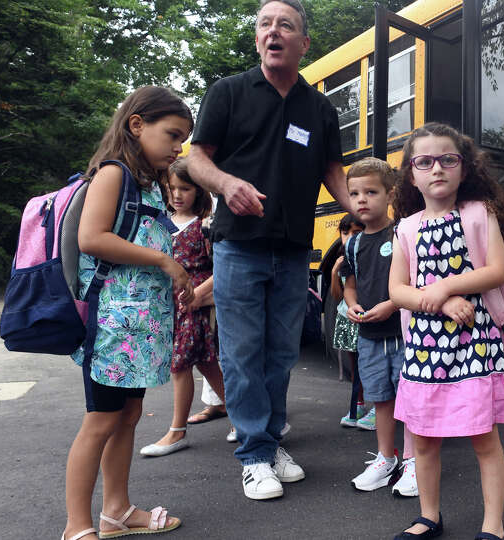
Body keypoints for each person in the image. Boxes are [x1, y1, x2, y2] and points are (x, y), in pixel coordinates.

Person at [185, 0, 350, 500]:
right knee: (242, 351)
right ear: (257, 39)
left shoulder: (319, 108)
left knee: (281, 352)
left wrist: (364, 214)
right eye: (265, 25)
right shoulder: (229, 92)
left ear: (303, 44)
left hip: (295, 248)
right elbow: (196, 158)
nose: (273, 32)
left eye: (286, 26)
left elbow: (334, 173)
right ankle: (255, 454)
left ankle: (270, 438)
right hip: (238, 245)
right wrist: (226, 183)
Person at [62, 86, 192, 540]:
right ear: (137, 125)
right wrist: (163, 261)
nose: (178, 147)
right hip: (112, 326)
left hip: (141, 326)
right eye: (172, 134)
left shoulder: (149, 183)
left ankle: (116, 511)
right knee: (100, 420)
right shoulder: (113, 174)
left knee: (128, 417)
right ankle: (76, 524)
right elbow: (91, 238)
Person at [388, 122, 504, 540]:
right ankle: (429, 515)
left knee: (483, 438)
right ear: (411, 174)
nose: (437, 169)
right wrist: (443, 300)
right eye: (424, 161)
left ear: (464, 169)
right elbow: (397, 290)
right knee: (425, 440)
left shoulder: (479, 214)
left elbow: (496, 270)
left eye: (448, 159)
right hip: (425, 351)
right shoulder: (406, 228)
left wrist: (447, 285)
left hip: (475, 345)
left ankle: (493, 525)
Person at [341, 158, 417, 498]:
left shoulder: (403, 233)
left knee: (412, 399)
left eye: (371, 192)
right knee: (381, 401)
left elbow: (416, 283)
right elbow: (350, 285)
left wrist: (392, 304)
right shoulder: (353, 244)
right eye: (354, 193)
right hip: (370, 338)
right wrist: (352, 303)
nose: (361, 200)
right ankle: (387, 458)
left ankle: (415, 462)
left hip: (404, 335)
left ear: (390, 194)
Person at [138, 158, 224, 457]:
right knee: (205, 361)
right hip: (168, 304)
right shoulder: (160, 221)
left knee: (181, 363)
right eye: (171, 188)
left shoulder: (206, 225)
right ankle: (240, 414)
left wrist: (199, 293)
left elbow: (223, 267)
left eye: (184, 188)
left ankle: (176, 431)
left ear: (199, 190)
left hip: (196, 303)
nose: (176, 195)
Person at [331, 214, 375, 430]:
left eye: (356, 233)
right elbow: (338, 296)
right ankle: (357, 404)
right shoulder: (343, 260)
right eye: (345, 233)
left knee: (371, 364)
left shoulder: (369, 256)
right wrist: (333, 272)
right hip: (347, 318)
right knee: (355, 366)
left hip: (365, 318)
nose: (349, 238)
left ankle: (379, 406)